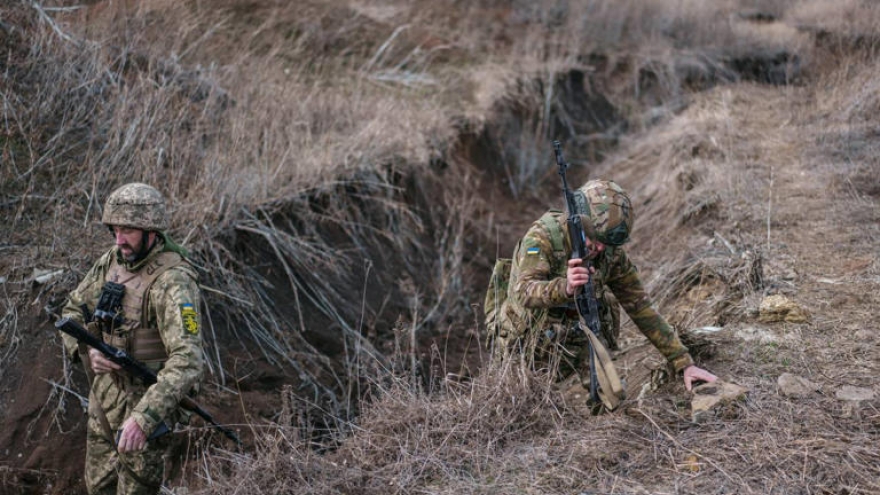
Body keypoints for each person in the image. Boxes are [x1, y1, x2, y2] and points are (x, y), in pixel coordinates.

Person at [494, 179, 716, 396]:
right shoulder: (542, 238)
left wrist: (683, 362)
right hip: (528, 342)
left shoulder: (610, 252)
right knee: (528, 403)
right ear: (579, 221)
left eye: (607, 244)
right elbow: (523, 291)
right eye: (596, 239)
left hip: (575, 334)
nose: (600, 248)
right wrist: (566, 287)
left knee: (611, 397)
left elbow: (640, 307)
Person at [59, 183, 204, 495]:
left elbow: (187, 361)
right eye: (115, 229)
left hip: (145, 413)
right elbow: (71, 309)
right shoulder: (111, 262)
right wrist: (86, 350)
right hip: (105, 403)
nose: (119, 239)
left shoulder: (173, 283)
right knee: (98, 488)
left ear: (151, 231)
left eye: (128, 230)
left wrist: (145, 418)